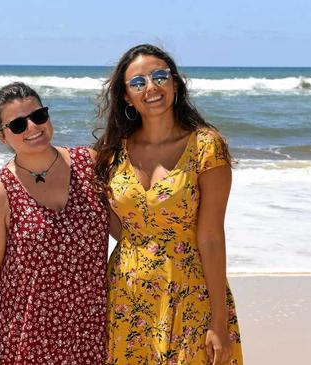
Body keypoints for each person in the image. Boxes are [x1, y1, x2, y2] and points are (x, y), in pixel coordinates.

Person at [93, 44, 243, 364]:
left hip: (189, 290)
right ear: (125, 96)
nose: (151, 87)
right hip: (126, 292)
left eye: (160, 76)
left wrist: (219, 320)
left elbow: (212, 237)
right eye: (138, 82)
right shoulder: (113, 153)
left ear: (175, 83)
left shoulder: (205, 146)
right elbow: (121, 226)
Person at [0, 82, 109, 364]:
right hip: (24, 340)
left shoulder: (89, 164)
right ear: (2, 137)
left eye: (38, 116)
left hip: (89, 335)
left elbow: (132, 223)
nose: (32, 127)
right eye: (18, 125)